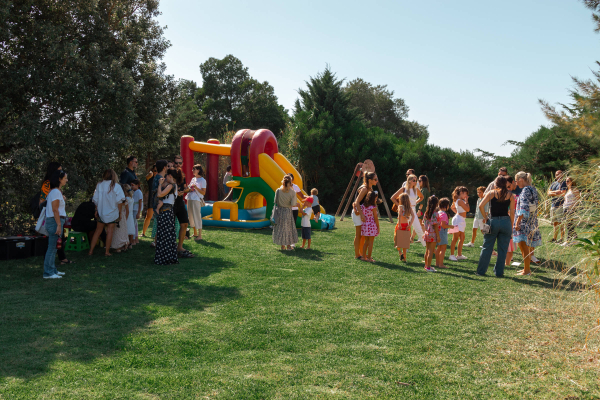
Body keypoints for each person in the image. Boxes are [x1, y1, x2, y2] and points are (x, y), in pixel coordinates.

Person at [475, 176, 515, 277]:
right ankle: (499, 272)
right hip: (506, 222)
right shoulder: (510, 195)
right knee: (503, 249)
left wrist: (485, 217)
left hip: (493, 221)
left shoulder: (491, 193)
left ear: (495, 184)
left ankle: (481, 271)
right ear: (506, 184)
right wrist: (511, 224)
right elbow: (512, 212)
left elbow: (481, 206)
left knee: (487, 247)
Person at [39, 162, 73, 265]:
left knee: (56, 242)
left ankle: (56, 262)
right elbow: (50, 205)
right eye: (59, 170)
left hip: (55, 216)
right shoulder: (49, 185)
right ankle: (49, 266)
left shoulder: (56, 189)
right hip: (52, 217)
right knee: (52, 244)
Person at [89, 169, 125, 256]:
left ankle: (90, 251)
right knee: (110, 231)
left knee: (98, 231)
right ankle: (107, 252)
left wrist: (96, 210)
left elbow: (95, 199)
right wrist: (120, 213)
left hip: (101, 212)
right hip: (112, 212)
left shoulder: (99, 185)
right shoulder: (116, 186)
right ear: (114, 175)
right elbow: (120, 201)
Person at [513, 172, 541, 276]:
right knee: (526, 246)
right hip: (532, 221)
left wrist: (517, 222)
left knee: (523, 245)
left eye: (516, 181)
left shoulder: (525, 190)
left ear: (520, 179)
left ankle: (527, 270)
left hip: (523, 222)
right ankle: (526, 268)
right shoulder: (533, 189)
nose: (516, 183)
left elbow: (524, 207)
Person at [42, 170, 68, 279]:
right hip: (54, 221)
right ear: (59, 179)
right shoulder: (56, 192)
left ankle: (53, 270)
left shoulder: (54, 192)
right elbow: (55, 210)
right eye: (65, 178)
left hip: (54, 221)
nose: (66, 180)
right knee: (52, 248)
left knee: (54, 248)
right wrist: (58, 225)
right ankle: (48, 273)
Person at [391, 174, 426, 247]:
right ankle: (402, 247)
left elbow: (422, 197)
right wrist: (400, 206)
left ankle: (426, 246)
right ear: (409, 180)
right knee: (402, 229)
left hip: (412, 209)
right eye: (414, 180)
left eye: (416, 181)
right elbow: (393, 198)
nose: (415, 182)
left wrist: (415, 202)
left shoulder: (416, 189)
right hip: (405, 211)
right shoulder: (404, 189)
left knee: (418, 229)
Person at [154, 169, 179, 265]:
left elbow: (160, 194)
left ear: (170, 176)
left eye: (167, 176)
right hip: (168, 212)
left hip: (166, 212)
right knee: (167, 235)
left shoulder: (171, 186)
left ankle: (164, 258)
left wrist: (160, 184)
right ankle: (168, 257)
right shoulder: (174, 186)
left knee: (164, 235)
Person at [352, 172, 378, 259]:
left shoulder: (369, 188)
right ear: (369, 180)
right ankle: (357, 255)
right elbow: (356, 202)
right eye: (375, 179)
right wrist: (362, 215)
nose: (377, 181)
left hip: (362, 213)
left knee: (363, 235)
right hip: (358, 213)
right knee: (358, 234)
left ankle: (362, 253)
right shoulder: (364, 188)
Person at [272, 175, 298, 250]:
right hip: (287, 211)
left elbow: (275, 201)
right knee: (288, 229)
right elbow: (293, 204)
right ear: (290, 182)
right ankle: (288, 246)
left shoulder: (278, 191)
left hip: (279, 211)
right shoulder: (292, 192)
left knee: (280, 229)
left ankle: (282, 246)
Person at [173, 167, 194, 258]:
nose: (178, 165)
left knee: (185, 223)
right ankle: (162, 246)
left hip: (180, 203)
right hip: (171, 204)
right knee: (169, 225)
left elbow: (185, 188)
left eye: (180, 163)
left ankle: (179, 247)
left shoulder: (182, 177)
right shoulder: (170, 176)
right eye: (176, 163)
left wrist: (186, 190)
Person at [149, 160, 168, 247]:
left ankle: (157, 243)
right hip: (159, 203)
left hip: (156, 203)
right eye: (167, 166)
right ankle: (157, 243)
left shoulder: (157, 177)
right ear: (164, 167)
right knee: (161, 225)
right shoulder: (160, 179)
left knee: (160, 225)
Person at [449, 186, 470, 261]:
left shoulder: (457, 200)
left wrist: (457, 213)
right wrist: (466, 201)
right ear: (461, 193)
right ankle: (451, 255)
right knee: (455, 238)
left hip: (460, 219)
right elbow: (467, 209)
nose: (466, 195)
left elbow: (452, 207)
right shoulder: (460, 201)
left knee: (462, 237)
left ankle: (459, 255)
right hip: (458, 220)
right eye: (465, 194)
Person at [187, 164, 206, 241]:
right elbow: (190, 188)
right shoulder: (193, 179)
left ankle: (200, 235)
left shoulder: (203, 180)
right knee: (190, 216)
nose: (193, 170)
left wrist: (196, 188)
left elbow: (204, 192)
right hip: (190, 198)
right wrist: (190, 188)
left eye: (194, 169)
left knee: (197, 216)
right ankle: (195, 233)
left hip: (196, 200)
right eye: (193, 169)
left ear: (199, 170)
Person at [394, 193, 415, 262]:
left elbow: (400, 215)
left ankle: (400, 253)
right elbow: (413, 216)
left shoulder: (400, 206)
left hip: (400, 225)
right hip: (406, 225)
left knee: (397, 241)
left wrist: (399, 224)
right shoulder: (409, 207)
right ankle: (404, 257)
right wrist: (410, 224)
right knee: (404, 243)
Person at [360, 191, 380, 263]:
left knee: (366, 242)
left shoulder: (363, 205)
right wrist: (378, 227)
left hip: (365, 226)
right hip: (371, 226)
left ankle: (364, 256)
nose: (376, 200)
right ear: (373, 198)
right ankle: (369, 258)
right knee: (371, 242)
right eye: (375, 198)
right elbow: (376, 218)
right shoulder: (373, 207)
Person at [548, 170, 567, 243]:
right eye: (556, 174)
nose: (558, 175)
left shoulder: (564, 183)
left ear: (562, 175)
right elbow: (548, 193)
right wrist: (556, 192)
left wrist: (552, 193)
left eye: (559, 174)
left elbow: (562, 193)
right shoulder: (553, 184)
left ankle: (561, 238)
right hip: (553, 205)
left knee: (561, 222)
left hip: (560, 205)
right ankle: (554, 238)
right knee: (555, 223)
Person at [110, 184, 130, 253]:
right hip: (123, 217)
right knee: (123, 231)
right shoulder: (125, 200)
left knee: (117, 232)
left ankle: (118, 247)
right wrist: (126, 218)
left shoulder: (116, 199)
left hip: (117, 215)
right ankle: (124, 245)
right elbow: (127, 211)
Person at [422, 196, 440, 272]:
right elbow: (435, 226)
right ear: (436, 204)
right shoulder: (435, 214)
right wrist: (438, 236)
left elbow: (423, 223)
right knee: (431, 251)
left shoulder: (426, 213)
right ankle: (428, 267)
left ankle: (426, 266)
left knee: (427, 251)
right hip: (433, 234)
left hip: (427, 233)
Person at [435, 198, 454, 269]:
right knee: (443, 249)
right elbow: (443, 225)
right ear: (446, 206)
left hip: (438, 232)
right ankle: (441, 264)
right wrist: (450, 226)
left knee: (438, 248)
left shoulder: (438, 213)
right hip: (442, 233)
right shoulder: (444, 214)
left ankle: (437, 263)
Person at [562, 176, 580, 246]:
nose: (566, 182)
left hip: (571, 209)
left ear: (572, 181)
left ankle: (568, 241)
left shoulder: (574, 189)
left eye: (568, 181)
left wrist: (573, 207)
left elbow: (578, 199)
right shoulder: (568, 190)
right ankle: (576, 239)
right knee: (568, 225)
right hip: (565, 208)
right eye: (566, 181)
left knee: (569, 225)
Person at [142, 164, 157, 237]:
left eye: (157, 170)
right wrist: (150, 173)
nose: (156, 172)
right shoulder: (150, 179)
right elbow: (147, 177)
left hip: (159, 199)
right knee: (148, 216)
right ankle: (143, 233)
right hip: (151, 199)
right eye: (155, 170)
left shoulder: (163, 179)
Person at [124, 184, 137, 248]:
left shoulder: (126, 199)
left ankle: (126, 243)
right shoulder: (131, 198)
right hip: (131, 215)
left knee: (127, 229)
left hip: (127, 215)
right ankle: (130, 243)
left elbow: (126, 210)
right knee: (131, 229)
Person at [131, 180, 143, 245]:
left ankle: (133, 240)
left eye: (132, 185)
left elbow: (140, 203)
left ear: (136, 185)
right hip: (134, 210)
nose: (131, 187)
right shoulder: (134, 192)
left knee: (133, 224)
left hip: (136, 210)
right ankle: (136, 239)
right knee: (135, 225)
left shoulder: (139, 192)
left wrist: (138, 213)